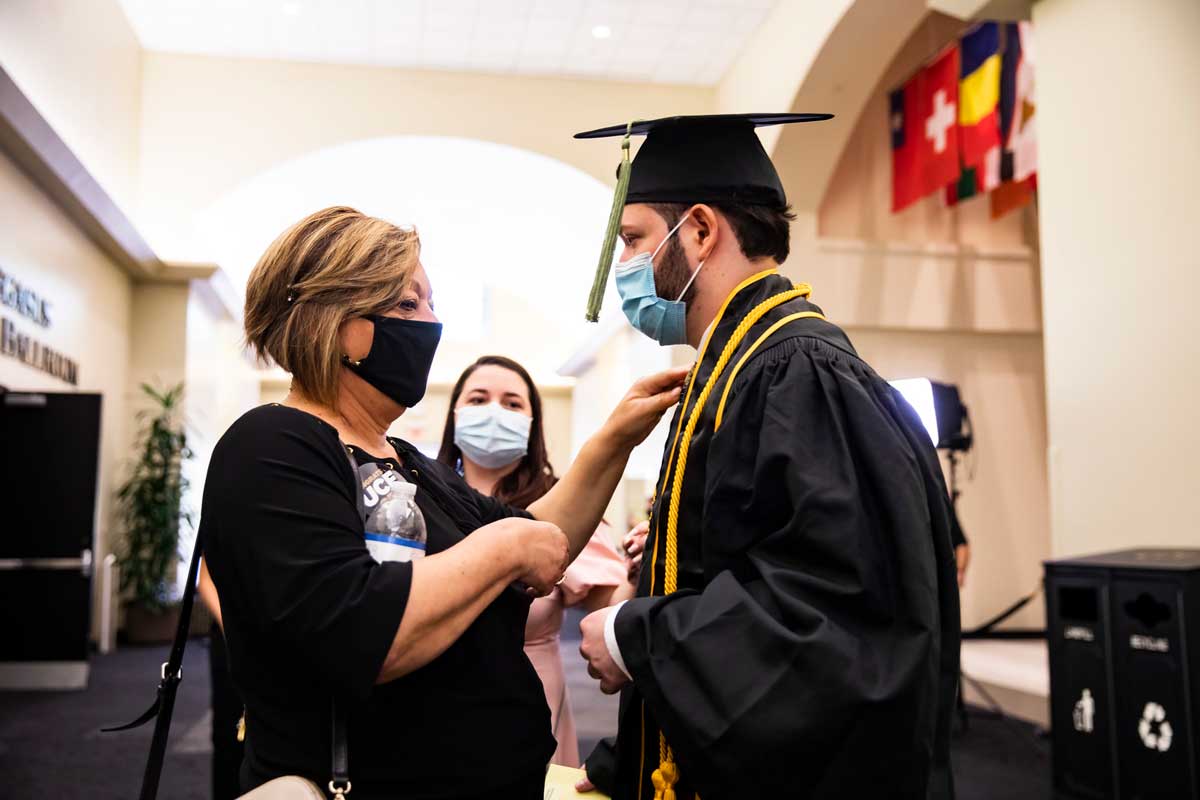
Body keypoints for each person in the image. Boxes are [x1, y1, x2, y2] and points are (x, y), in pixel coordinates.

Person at [198, 206, 686, 800]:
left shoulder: (402, 456)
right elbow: (366, 634)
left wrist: (615, 438)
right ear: (340, 325)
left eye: (429, 303)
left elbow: (539, 537)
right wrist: (502, 548)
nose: (431, 323)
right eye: (408, 304)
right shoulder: (274, 445)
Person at [571, 115, 961, 800]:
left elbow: (833, 621)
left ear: (698, 229)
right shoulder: (741, 365)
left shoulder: (795, 371)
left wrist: (638, 636)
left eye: (633, 239)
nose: (626, 262)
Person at [436, 354, 647, 767]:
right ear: (455, 414)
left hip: (524, 708)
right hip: (428, 702)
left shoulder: (564, 507)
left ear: (531, 424)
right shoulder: (421, 494)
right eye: (478, 399)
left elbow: (608, 610)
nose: (494, 410)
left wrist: (638, 565)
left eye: (513, 403)